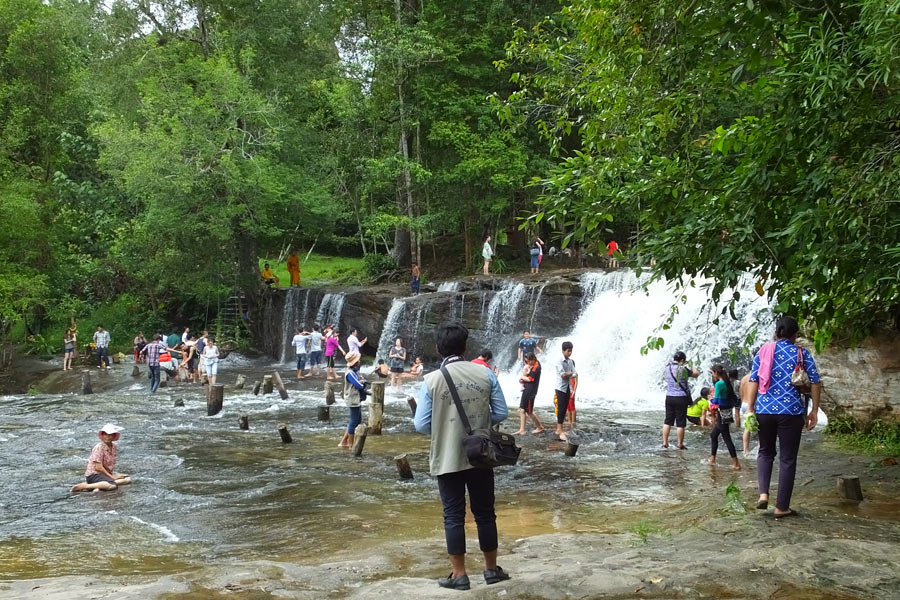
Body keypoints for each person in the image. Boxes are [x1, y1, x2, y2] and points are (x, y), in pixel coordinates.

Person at [414, 322, 510, 590]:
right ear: (466, 347)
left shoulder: (431, 380)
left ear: (437, 348)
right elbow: (501, 413)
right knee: (485, 513)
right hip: (481, 453)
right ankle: (491, 570)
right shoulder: (485, 373)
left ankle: (459, 575)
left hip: (446, 456)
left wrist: (446, 427)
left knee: (453, 515)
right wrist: (480, 425)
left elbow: (420, 424)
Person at [746, 316, 821, 518]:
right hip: (791, 412)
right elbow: (815, 381)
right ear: (796, 334)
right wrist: (814, 410)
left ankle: (763, 494)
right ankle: (781, 507)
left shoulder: (763, 352)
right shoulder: (801, 353)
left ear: (777, 333)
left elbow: (754, 380)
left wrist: (751, 408)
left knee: (765, 452)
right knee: (787, 458)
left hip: (764, 410)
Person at [71, 424, 132, 493]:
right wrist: (112, 477)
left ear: (114, 436)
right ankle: (85, 486)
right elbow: (98, 467)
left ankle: (98, 486)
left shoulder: (114, 447)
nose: (107, 437)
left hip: (105, 475)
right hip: (94, 475)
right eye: (105, 434)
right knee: (112, 486)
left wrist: (113, 476)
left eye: (110, 435)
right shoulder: (99, 447)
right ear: (102, 436)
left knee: (128, 479)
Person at [662, 351, 699, 449]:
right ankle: (680, 444)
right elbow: (696, 374)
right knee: (680, 423)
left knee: (668, 421)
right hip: (681, 398)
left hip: (669, 397)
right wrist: (692, 364)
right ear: (682, 360)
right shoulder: (683, 369)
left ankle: (665, 443)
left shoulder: (667, 368)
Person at [708, 364, 741, 470]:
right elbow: (734, 398)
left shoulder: (719, 384)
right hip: (726, 412)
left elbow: (716, 400)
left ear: (716, 373)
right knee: (714, 435)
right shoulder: (727, 383)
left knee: (727, 438)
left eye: (713, 373)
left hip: (722, 413)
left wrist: (710, 399)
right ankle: (712, 459)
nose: (713, 375)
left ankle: (736, 463)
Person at [340, 351, 367, 449]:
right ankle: (350, 444)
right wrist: (362, 382)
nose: (359, 361)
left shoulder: (355, 371)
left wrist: (362, 381)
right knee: (354, 421)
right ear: (355, 362)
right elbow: (359, 385)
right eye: (358, 360)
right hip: (352, 399)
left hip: (356, 398)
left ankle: (343, 442)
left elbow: (363, 380)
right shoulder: (350, 373)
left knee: (357, 420)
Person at [513, 352, 544, 435]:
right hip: (526, 389)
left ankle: (540, 427)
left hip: (531, 392)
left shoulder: (536, 367)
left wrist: (522, 377)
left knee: (529, 411)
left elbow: (530, 379)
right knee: (522, 409)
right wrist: (522, 380)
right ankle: (522, 429)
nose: (527, 363)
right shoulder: (532, 365)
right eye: (526, 361)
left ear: (533, 359)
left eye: (528, 361)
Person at [552, 341, 577, 441]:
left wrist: (568, 374)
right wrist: (570, 373)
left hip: (567, 387)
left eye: (571, 351)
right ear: (563, 351)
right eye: (568, 351)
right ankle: (559, 429)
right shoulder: (559, 361)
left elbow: (575, 374)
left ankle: (560, 428)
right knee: (561, 408)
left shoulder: (570, 361)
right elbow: (563, 375)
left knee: (565, 408)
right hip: (560, 387)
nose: (570, 353)